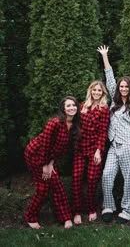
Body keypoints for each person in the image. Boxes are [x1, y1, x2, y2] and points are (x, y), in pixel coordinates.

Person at [97, 45, 130, 224]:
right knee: (107, 175)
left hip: (128, 147)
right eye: (121, 86)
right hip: (113, 146)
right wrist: (105, 56)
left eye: (126, 86)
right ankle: (108, 206)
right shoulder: (114, 102)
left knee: (128, 180)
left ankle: (126, 209)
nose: (123, 88)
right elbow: (110, 79)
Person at [24, 96, 79, 229]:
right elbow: (45, 145)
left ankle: (65, 218)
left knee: (56, 185)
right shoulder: (54, 123)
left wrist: (51, 163)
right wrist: (44, 165)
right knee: (43, 188)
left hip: (49, 159)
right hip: (35, 154)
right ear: (63, 109)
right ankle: (30, 217)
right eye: (68, 106)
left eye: (74, 105)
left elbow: (60, 150)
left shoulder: (73, 126)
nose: (72, 108)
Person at [72, 81, 110, 224]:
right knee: (76, 179)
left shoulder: (104, 109)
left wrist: (98, 151)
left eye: (99, 90)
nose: (96, 92)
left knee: (92, 179)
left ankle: (91, 208)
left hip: (95, 149)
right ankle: (76, 211)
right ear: (90, 91)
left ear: (103, 93)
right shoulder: (82, 106)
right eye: (94, 90)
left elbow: (102, 132)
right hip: (80, 148)